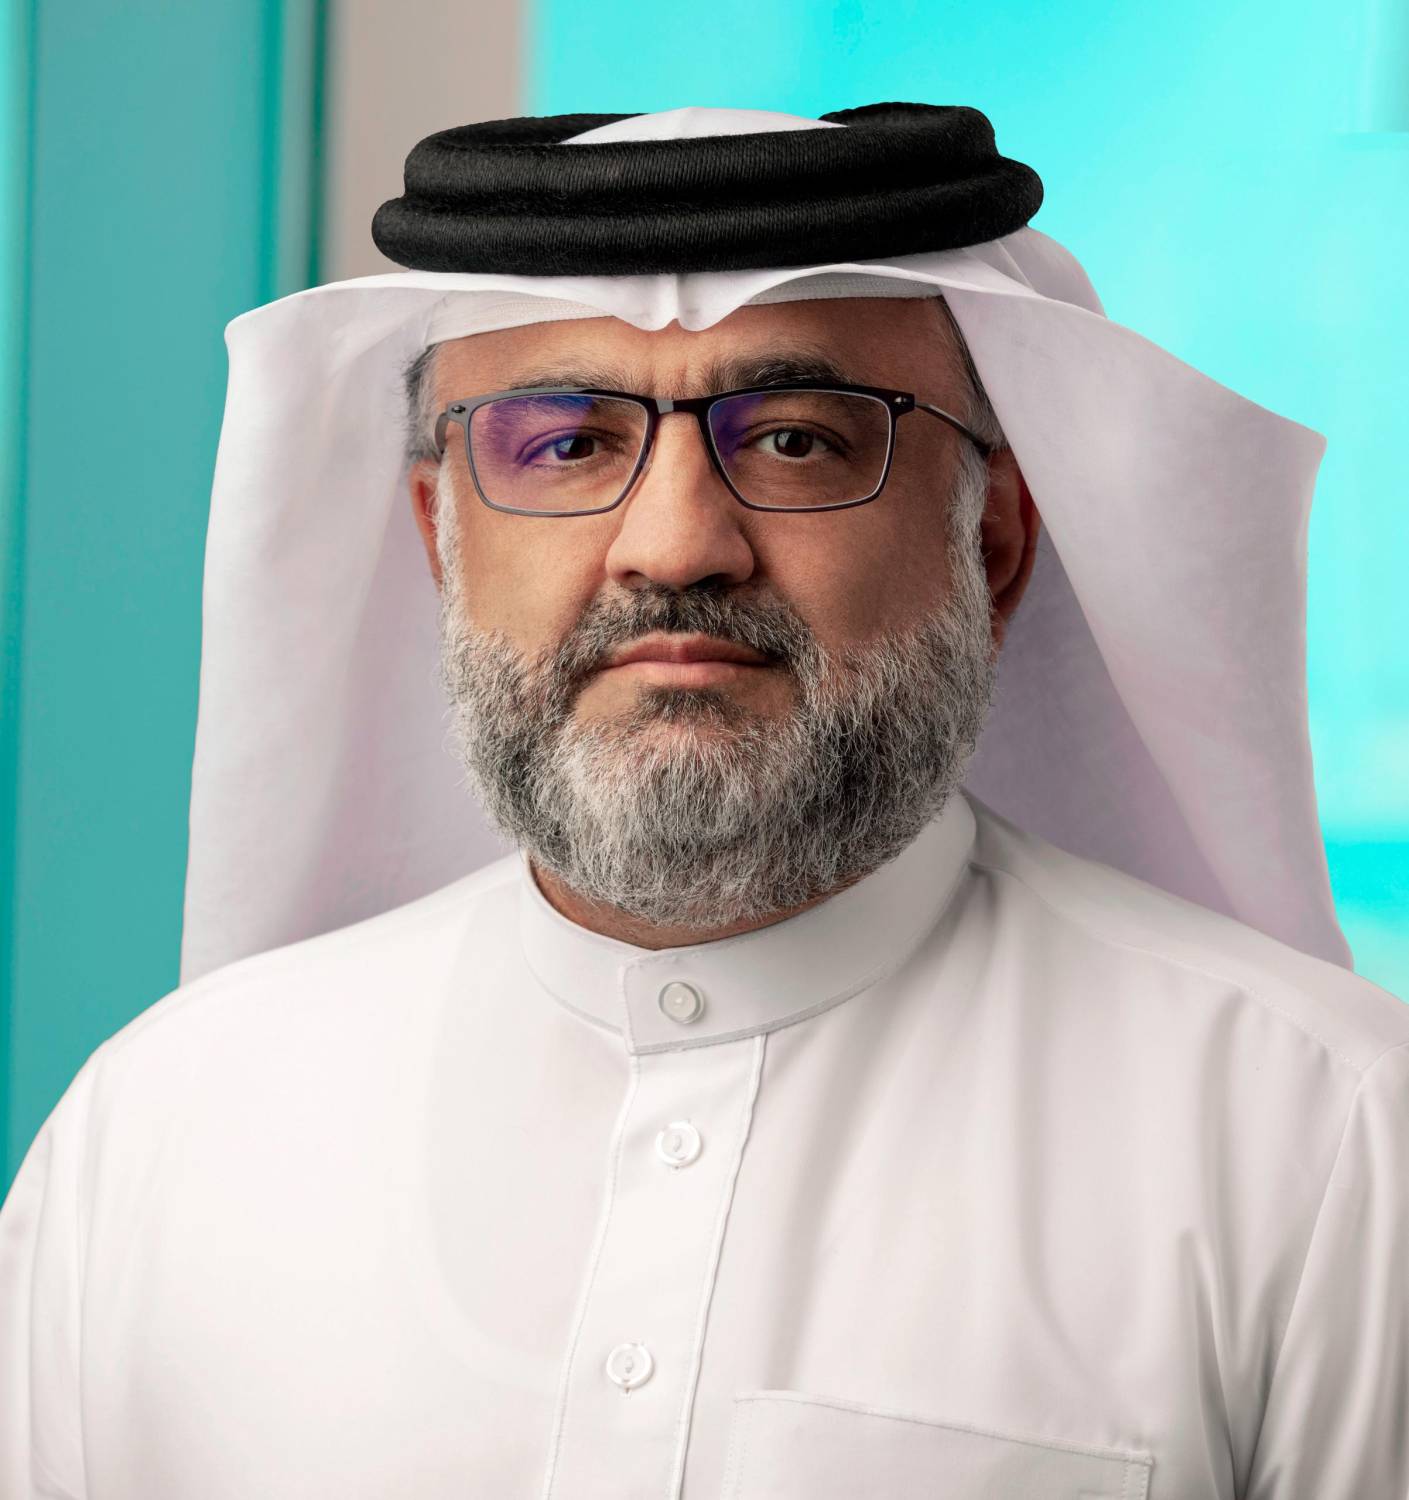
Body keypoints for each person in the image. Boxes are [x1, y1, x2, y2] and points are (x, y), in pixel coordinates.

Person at [1, 102, 1405, 1500]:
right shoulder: (158, 1132)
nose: (675, 546)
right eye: (565, 445)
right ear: (440, 536)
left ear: (988, 538)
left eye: (796, 439)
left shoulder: (1321, 1140)